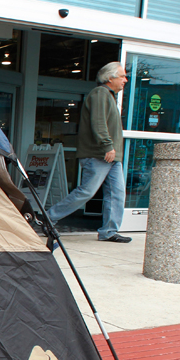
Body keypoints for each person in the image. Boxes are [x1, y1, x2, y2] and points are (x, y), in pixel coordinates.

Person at [45, 62, 132, 243]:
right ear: (110, 78)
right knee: (86, 191)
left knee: (117, 193)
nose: (125, 80)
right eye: (122, 76)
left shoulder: (109, 96)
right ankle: (48, 217)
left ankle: (109, 231)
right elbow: (98, 122)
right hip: (100, 154)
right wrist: (107, 146)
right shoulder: (100, 94)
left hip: (111, 157)